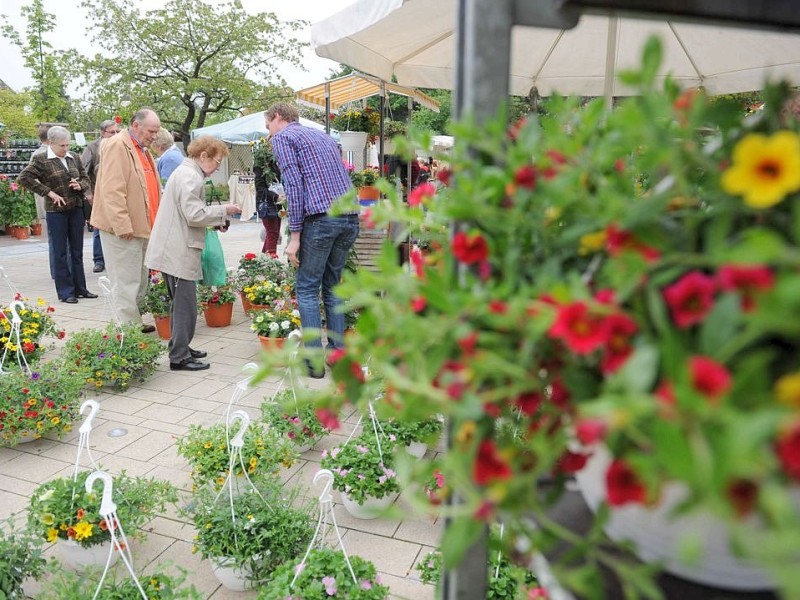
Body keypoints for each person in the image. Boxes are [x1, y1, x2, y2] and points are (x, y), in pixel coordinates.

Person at [265, 102, 359, 378]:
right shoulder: (324, 137)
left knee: (306, 288)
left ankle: (314, 362)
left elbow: (294, 185)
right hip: (349, 217)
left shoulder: (284, 137)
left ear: (278, 118)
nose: (268, 132)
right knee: (332, 287)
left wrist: (294, 236)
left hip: (321, 219)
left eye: (267, 125)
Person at [145, 136, 241, 371]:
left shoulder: (185, 172)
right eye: (217, 161)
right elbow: (194, 215)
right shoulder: (190, 175)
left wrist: (216, 220)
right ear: (204, 156)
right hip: (177, 250)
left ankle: (182, 347)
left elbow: (190, 214)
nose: (218, 167)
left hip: (173, 247)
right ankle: (179, 357)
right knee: (185, 305)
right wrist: (224, 210)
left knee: (180, 303)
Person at [90, 108, 162, 331]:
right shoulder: (116, 145)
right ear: (136, 125)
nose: (154, 136)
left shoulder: (142, 149)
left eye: (156, 131)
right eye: (151, 130)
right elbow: (112, 190)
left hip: (142, 227)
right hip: (124, 230)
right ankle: (129, 333)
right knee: (125, 282)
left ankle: (135, 323)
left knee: (139, 279)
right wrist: (122, 225)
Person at [18, 126, 98, 304]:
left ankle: (80, 288)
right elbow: (24, 178)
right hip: (56, 211)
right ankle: (65, 292)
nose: (66, 148)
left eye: (68, 145)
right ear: (51, 143)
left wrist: (80, 185)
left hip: (75, 207)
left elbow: (85, 178)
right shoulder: (41, 159)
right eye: (62, 145)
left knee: (77, 251)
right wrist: (48, 192)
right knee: (60, 252)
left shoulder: (74, 157)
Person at [81, 119, 120, 273]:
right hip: (99, 193)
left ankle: (114, 259)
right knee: (99, 227)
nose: (115, 134)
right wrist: (88, 194)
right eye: (112, 132)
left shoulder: (120, 146)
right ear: (103, 132)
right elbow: (83, 170)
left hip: (116, 193)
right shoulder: (92, 147)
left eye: (117, 131)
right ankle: (99, 260)